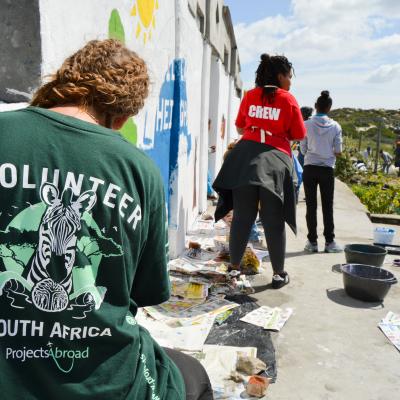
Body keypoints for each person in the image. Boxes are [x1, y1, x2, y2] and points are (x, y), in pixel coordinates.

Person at [0, 39, 213, 400]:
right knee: (194, 375)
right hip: (105, 384)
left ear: (64, 81)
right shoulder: (140, 170)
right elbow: (145, 293)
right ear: (123, 117)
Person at [213, 54, 306, 289]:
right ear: (280, 76)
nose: (290, 82)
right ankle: (278, 274)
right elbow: (299, 134)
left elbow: (240, 125)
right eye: (289, 76)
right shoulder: (288, 99)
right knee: (273, 220)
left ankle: (234, 269)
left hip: (245, 159)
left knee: (243, 217)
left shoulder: (250, 96)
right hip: (274, 162)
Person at [300, 90, 343, 253]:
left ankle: (312, 243)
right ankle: (330, 242)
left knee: (311, 206)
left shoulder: (306, 124)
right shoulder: (336, 126)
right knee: (327, 206)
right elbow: (338, 150)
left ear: (315, 106)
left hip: (310, 168)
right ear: (329, 108)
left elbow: (303, 150)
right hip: (327, 170)